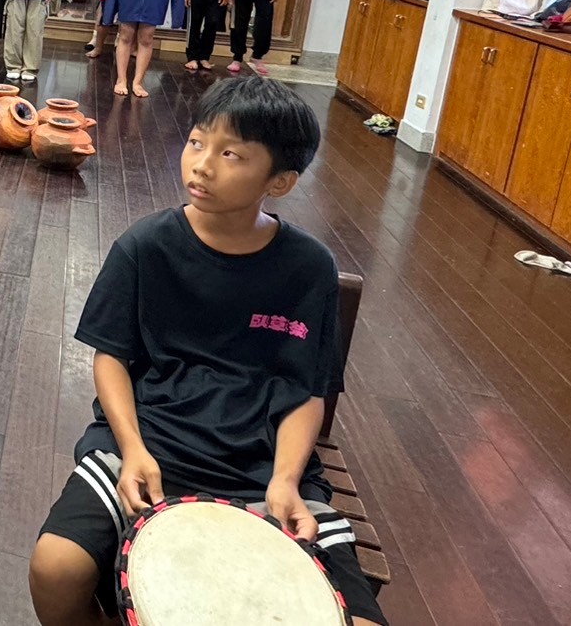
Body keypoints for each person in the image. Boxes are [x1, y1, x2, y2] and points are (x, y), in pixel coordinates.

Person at [29, 77, 387, 626]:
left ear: (280, 181)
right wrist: (133, 448)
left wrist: (285, 480)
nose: (201, 164)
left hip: (263, 465)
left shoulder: (310, 268)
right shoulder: (145, 246)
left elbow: (306, 393)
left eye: (231, 154)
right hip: (151, 443)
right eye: (197, 142)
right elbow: (110, 358)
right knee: (55, 567)